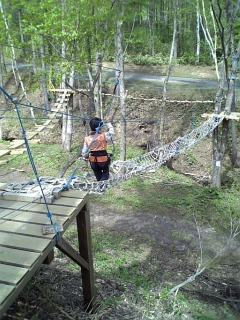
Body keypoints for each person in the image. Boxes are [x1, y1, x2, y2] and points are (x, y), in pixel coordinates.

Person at [82, 117, 115, 182]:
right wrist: (108, 123)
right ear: (100, 127)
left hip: (93, 161)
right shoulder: (104, 136)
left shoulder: (87, 139)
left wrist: (86, 157)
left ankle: (99, 186)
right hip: (103, 160)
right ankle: (101, 187)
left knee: (97, 174)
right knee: (105, 174)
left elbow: (84, 152)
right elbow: (112, 132)